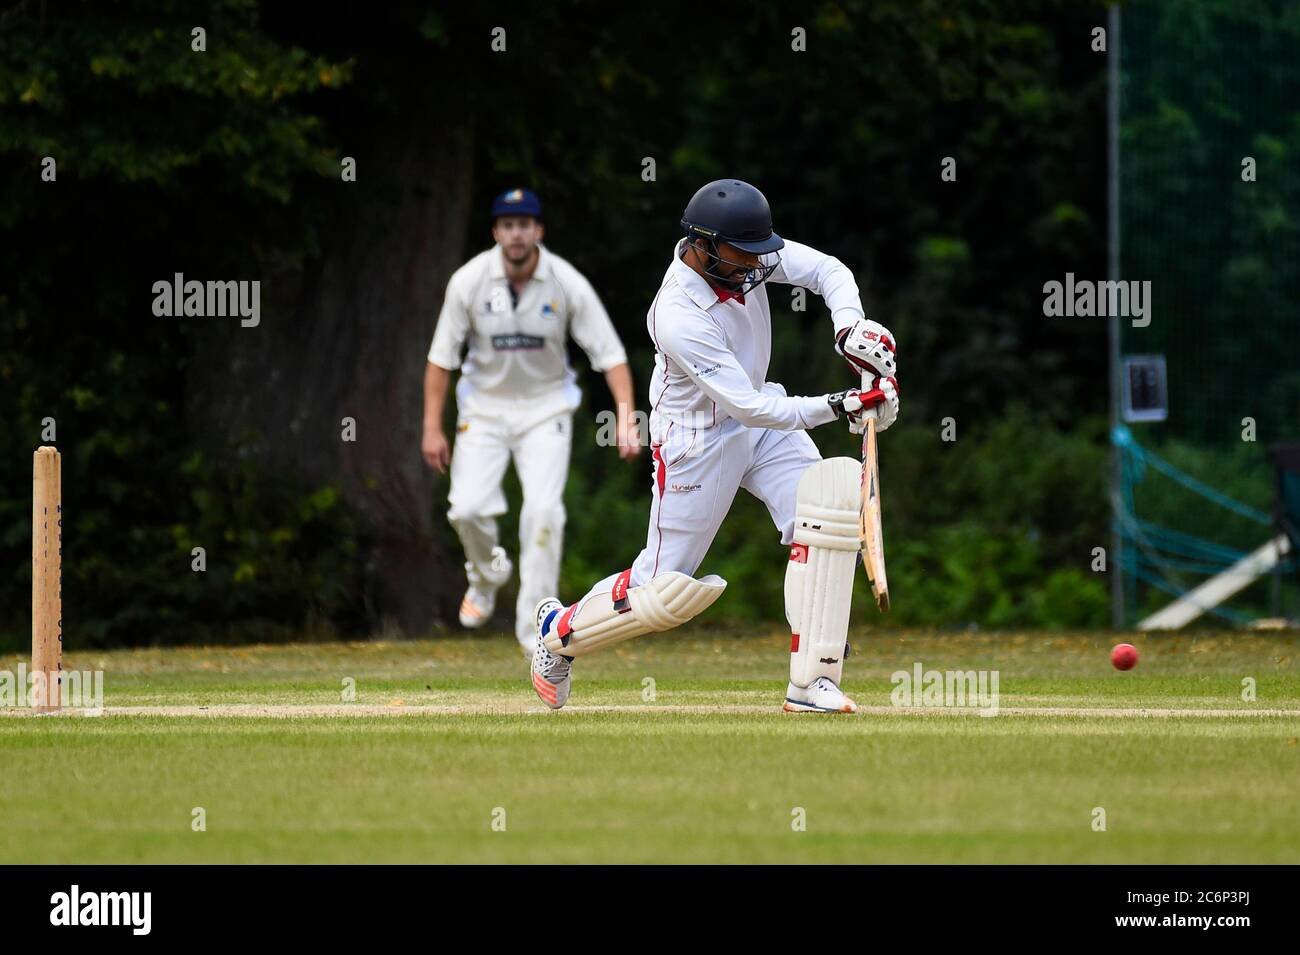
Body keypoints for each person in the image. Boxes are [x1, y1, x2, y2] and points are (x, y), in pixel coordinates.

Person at [528, 179, 899, 712]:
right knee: (662, 590)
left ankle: (812, 680)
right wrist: (843, 404)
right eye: (742, 255)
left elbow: (827, 271)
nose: (755, 266)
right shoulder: (678, 313)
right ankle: (556, 632)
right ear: (703, 244)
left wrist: (850, 331)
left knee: (825, 514)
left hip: (762, 422)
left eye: (759, 253)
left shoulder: (745, 256)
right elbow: (749, 406)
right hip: (696, 439)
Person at [423, 188, 640, 656]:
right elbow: (441, 359)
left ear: (538, 231)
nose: (516, 233)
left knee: (543, 514)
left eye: (525, 225)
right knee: (466, 509)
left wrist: (626, 418)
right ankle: (485, 578)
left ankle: (534, 636)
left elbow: (610, 355)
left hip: (546, 410)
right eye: (508, 225)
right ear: (496, 232)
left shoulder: (565, 282)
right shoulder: (468, 281)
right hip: (483, 409)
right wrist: (431, 427)